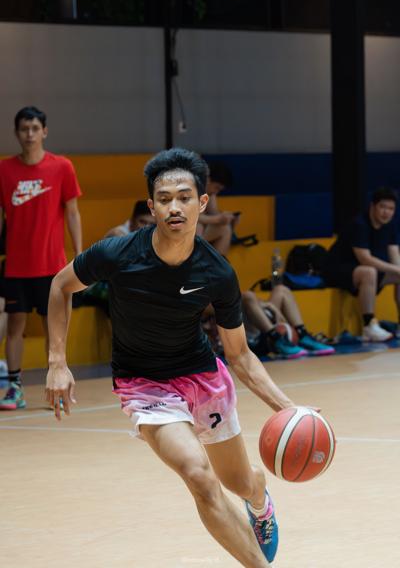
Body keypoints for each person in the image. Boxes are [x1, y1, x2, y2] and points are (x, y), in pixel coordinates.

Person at [45, 148, 317, 567]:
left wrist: (289, 409)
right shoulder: (117, 254)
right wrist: (57, 362)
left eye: (185, 197)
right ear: (151, 206)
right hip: (145, 386)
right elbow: (61, 286)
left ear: (202, 203)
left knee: (238, 481)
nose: (175, 207)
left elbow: (240, 355)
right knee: (200, 476)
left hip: (203, 379)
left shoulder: (217, 273)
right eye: (165, 199)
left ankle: (259, 500)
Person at [0, 106, 82, 410]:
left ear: (44, 131)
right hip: (16, 266)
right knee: (14, 327)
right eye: (24, 129)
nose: (30, 134)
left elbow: (72, 213)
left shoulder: (62, 167)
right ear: (16, 133)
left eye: (35, 128)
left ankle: (55, 387)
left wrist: (80, 255)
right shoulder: (4, 170)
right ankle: (15, 389)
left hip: (52, 266)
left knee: (53, 329)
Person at [323, 186, 400, 342]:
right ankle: (369, 325)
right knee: (369, 271)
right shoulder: (359, 224)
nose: (386, 212)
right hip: (337, 270)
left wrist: (398, 269)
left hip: (363, 272)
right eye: (383, 207)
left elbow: (394, 255)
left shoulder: (390, 226)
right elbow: (365, 259)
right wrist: (397, 269)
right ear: (372, 206)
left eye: (391, 209)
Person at [241, 286, 335, 359]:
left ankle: (302, 335)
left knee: (281, 290)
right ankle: (276, 338)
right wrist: (265, 305)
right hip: (251, 339)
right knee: (248, 295)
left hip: (263, 326)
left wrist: (267, 305)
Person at [196, 161, 239, 255]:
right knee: (198, 226)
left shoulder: (210, 193)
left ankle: (219, 263)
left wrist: (229, 219)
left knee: (225, 228)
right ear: (208, 179)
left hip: (195, 236)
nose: (216, 192)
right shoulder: (191, 188)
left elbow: (214, 213)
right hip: (178, 234)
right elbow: (191, 216)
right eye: (216, 187)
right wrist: (218, 219)